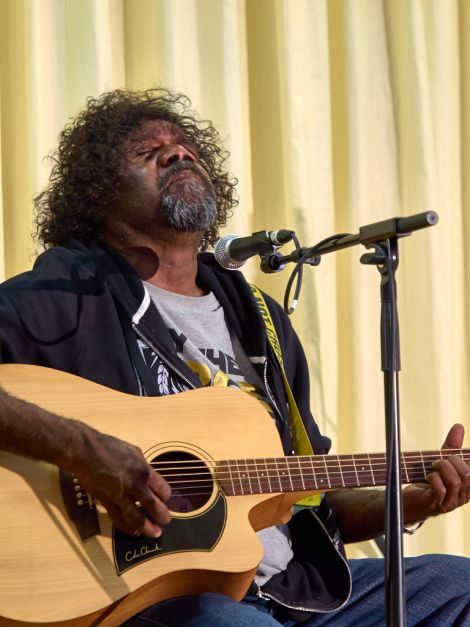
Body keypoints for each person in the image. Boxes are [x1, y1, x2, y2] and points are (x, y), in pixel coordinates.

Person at [0, 88, 469, 626]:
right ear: (98, 195)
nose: (177, 154)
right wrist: (85, 450)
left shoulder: (260, 319)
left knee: (458, 587)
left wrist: (410, 502)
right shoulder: (64, 296)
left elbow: (307, 495)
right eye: (146, 152)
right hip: (151, 597)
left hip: (288, 591)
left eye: (183, 147)